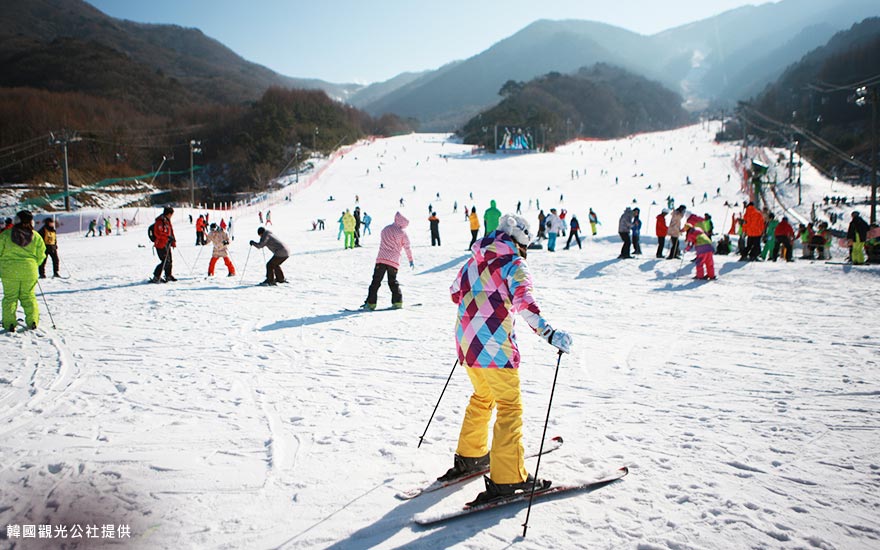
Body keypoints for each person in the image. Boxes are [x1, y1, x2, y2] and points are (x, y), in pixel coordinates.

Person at [442, 213, 572, 505]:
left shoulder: (473, 259)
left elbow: (454, 292)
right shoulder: (514, 264)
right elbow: (525, 303)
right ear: (522, 239)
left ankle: (472, 456)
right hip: (494, 348)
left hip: (467, 344)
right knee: (510, 406)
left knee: (482, 396)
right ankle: (509, 478)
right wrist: (549, 334)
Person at [0, 210, 46, 331]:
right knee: (29, 296)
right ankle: (32, 321)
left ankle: (9, 323)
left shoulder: (5, 235)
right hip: (29, 271)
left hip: (9, 271)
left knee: (10, 297)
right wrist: (34, 265)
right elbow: (41, 255)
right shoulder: (36, 236)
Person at [362, 212, 413, 310]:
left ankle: (371, 303)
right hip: (393, 261)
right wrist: (410, 260)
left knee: (376, 282)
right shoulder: (402, 233)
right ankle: (397, 301)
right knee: (392, 281)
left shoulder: (385, 229)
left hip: (381, 258)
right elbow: (407, 247)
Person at [151, 207, 177, 283]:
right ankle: (156, 276)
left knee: (169, 260)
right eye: (171, 214)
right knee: (165, 261)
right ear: (168, 214)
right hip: (160, 244)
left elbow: (170, 232)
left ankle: (168, 275)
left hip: (167, 243)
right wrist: (167, 237)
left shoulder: (167, 221)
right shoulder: (160, 221)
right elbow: (158, 233)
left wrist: (173, 241)